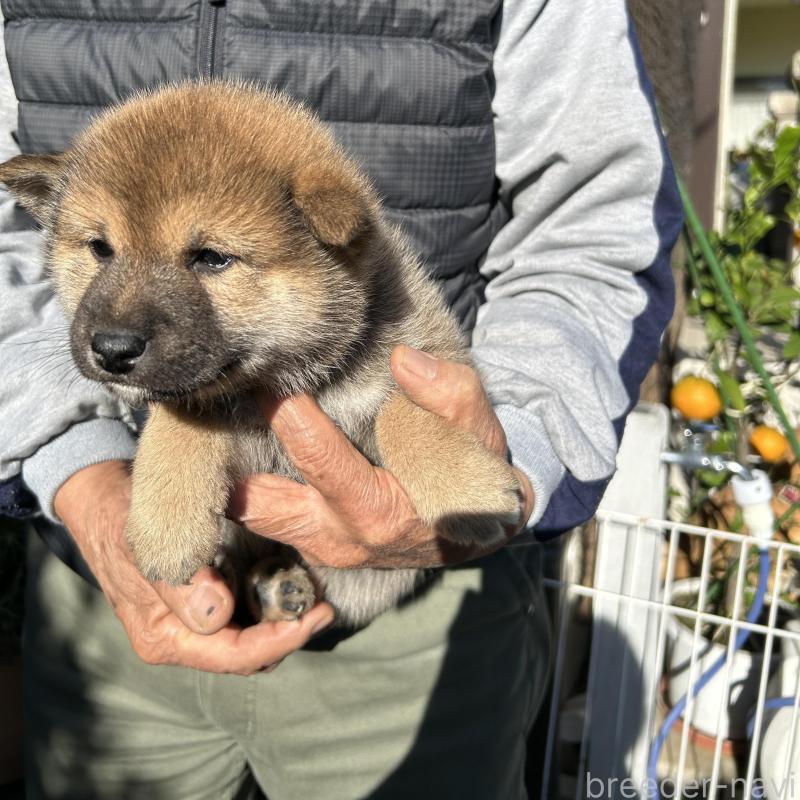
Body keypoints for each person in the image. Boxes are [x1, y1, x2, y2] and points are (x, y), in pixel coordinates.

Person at [0, 0, 682, 797]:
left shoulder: (340, 241)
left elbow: (598, 226)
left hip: (424, 615)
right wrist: (75, 463)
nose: (117, 325)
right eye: (102, 250)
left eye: (210, 257)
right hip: (101, 591)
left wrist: (511, 451)